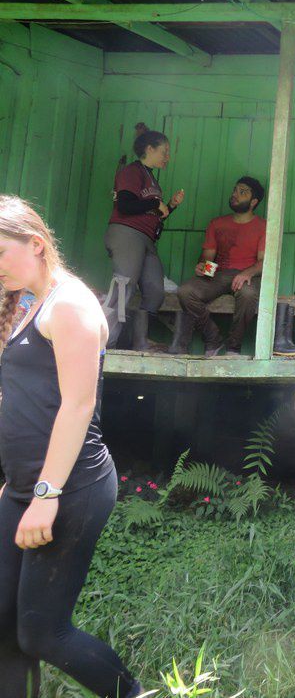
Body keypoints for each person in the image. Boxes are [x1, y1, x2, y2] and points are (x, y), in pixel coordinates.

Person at [0, 195, 142, 698]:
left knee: (42, 632)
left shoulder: (71, 305)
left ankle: (130, 694)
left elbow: (77, 406)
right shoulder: (28, 303)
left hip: (70, 487)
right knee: (3, 624)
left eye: (0, 253)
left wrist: (45, 494)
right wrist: (15, 484)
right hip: (24, 487)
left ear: (36, 244)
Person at [103, 127, 185, 350]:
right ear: (150, 149)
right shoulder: (132, 171)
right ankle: (105, 343)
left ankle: (139, 342)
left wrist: (170, 206)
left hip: (147, 239)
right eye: (164, 151)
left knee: (155, 290)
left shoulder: (151, 178)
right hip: (126, 233)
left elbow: (153, 213)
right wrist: (155, 203)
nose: (167, 157)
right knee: (124, 286)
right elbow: (125, 205)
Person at [171, 177, 267, 358]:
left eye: (242, 192)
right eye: (235, 190)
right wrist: (203, 267)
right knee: (185, 291)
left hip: (248, 276)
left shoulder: (263, 226)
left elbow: (264, 262)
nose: (235, 194)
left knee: (248, 294)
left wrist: (246, 273)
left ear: (253, 202)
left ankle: (233, 348)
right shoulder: (217, 223)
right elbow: (208, 257)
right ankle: (213, 338)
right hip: (219, 274)